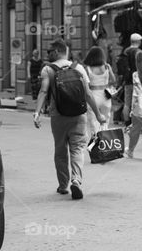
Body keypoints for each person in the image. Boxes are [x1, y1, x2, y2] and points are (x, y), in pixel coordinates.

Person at [33, 38, 107, 200]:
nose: (48, 54)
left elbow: (43, 92)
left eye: (50, 51)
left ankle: (63, 185)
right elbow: (87, 94)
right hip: (78, 115)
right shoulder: (79, 68)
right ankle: (76, 180)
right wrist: (99, 115)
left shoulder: (48, 69)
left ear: (59, 51)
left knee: (60, 150)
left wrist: (37, 113)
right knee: (78, 148)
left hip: (58, 116)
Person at [82, 46, 115, 140]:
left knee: (93, 120)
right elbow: (113, 80)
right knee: (106, 120)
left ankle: (96, 139)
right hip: (106, 94)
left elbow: (86, 84)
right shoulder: (106, 66)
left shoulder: (88, 69)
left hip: (93, 94)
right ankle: (105, 139)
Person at [117, 33, 142, 122]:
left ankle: (127, 122)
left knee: (127, 102)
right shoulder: (139, 52)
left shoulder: (125, 51)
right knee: (138, 102)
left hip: (127, 80)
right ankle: (136, 122)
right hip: (138, 80)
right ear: (138, 41)